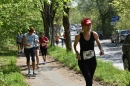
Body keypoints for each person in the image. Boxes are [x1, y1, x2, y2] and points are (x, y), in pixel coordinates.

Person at [73, 18, 104, 86]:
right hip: (83, 61)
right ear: (83, 26)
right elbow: (75, 45)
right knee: (89, 80)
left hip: (92, 61)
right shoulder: (78, 36)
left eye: (90, 24)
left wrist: (101, 49)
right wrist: (77, 53)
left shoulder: (94, 34)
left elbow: (99, 43)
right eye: (86, 25)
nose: (89, 27)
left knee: (90, 80)